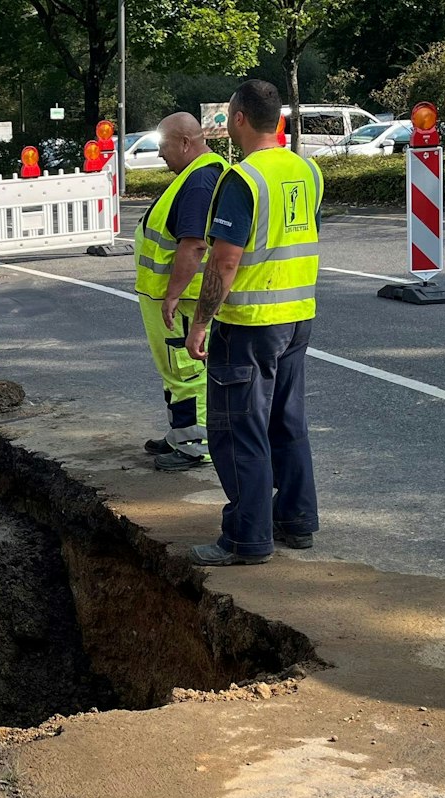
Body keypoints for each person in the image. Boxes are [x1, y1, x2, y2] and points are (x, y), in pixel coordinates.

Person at [182, 79, 323, 566]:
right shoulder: (307, 170)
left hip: (248, 324)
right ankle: (296, 520)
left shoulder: (242, 179)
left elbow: (225, 261)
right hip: (297, 318)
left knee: (238, 430)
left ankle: (246, 538)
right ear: (277, 119)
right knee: (287, 422)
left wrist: (200, 322)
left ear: (239, 118)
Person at [133, 112, 226, 471]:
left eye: (164, 145)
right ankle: (180, 434)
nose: (160, 154)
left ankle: (194, 446)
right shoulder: (197, 174)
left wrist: (172, 294)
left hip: (182, 300)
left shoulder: (200, 181)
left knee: (186, 372)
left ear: (186, 143)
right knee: (174, 370)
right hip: (173, 296)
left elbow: (193, 245)